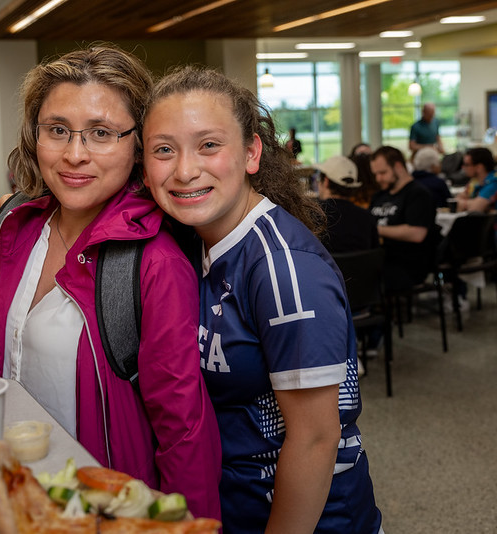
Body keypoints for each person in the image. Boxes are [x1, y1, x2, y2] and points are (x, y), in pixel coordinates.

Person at [0, 45, 222, 521]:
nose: (75, 155)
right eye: (57, 131)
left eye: (102, 133)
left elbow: (183, 427)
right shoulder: (15, 225)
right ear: (35, 137)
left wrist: (189, 527)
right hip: (16, 495)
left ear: (138, 144)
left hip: (100, 512)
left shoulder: (153, 263)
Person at [141, 66, 382, 533]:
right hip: (232, 503)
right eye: (164, 150)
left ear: (252, 153)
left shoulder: (283, 266)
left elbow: (315, 438)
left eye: (209, 144)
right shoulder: (194, 238)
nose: (185, 169)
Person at [369, 146, 437, 294]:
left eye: (382, 173)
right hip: (379, 259)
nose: (378, 179)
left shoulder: (418, 194)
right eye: (376, 174)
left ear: (398, 167)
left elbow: (417, 233)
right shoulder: (379, 196)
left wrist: (374, 229)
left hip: (406, 264)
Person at [315, 155, 379, 253]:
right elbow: (374, 252)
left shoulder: (313, 215)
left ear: (326, 181)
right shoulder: (367, 217)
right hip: (360, 268)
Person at [455, 147, 497, 213]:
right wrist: (471, 203)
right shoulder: (474, 181)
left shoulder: (494, 182)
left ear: (479, 167)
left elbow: (475, 209)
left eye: (466, 164)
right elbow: (457, 200)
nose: (463, 167)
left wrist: (465, 204)